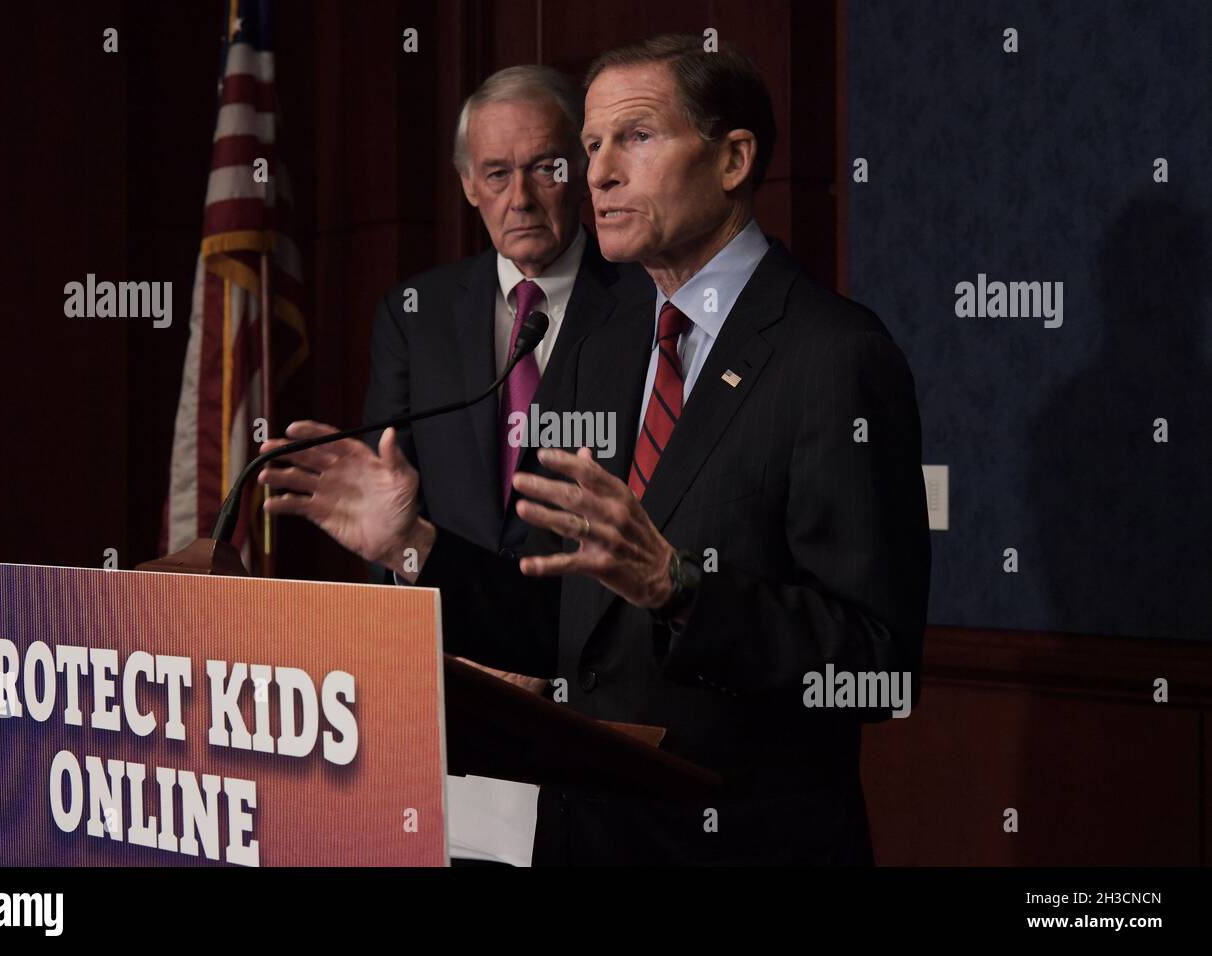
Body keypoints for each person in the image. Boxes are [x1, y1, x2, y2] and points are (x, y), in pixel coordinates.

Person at [260, 35, 931, 865]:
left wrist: (680, 587)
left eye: (636, 138)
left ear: (733, 159)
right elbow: (558, 614)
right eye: (591, 146)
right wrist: (413, 545)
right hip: (585, 837)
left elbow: (876, 662)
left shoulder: (835, 356)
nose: (599, 172)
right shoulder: (599, 345)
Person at [359, 64, 646, 865]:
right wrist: (451, 653)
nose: (521, 197)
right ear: (467, 186)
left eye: (546, 168)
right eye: (496, 173)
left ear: (581, 175)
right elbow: (388, 506)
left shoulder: (646, 306)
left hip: (589, 708)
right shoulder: (414, 315)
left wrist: (543, 659)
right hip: (446, 697)